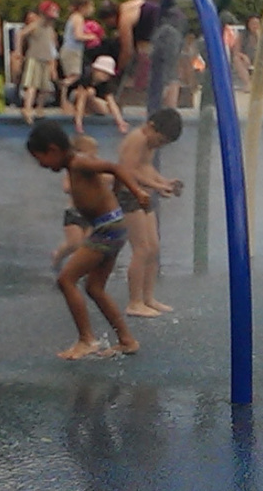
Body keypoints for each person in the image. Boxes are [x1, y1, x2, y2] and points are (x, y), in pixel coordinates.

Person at [26, 120, 149, 360]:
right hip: (111, 226)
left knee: (66, 279)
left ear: (53, 150)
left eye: (40, 158)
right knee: (94, 287)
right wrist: (113, 197)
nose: (41, 165)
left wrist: (138, 192)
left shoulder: (79, 162)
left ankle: (86, 340)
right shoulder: (74, 165)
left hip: (108, 228)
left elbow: (115, 168)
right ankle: (127, 340)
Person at [116, 108, 184, 318]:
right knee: (141, 248)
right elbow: (128, 171)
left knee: (153, 248)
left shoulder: (148, 141)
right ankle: (134, 302)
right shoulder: (137, 138)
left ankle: (148, 297)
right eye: (161, 141)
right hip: (129, 197)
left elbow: (145, 167)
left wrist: (164, 182)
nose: (159, 145)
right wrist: (156, 186)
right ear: (151, 127)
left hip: (142, 196)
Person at [51, 134, 108, 270]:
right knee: (74, 243)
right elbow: (66, 187)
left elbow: (109, 177)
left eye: (96, 153)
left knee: (88, 245)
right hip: (74, 212)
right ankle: (58, 255)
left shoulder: (97, 168)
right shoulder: (73, 168)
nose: (94, 156)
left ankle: (82, 269)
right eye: (91, 153)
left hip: (91, 214)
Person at [16, 0, 60, 124]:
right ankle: (27, 108)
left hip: (45, 59)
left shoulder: (50, 28)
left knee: (44, 87)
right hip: (34, 58)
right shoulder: (36, 24)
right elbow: (20, 34)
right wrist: (18, 51)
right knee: (32, 85)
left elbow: (51, 47)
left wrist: (53, 65)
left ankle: (39, 108)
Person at [59, 0, 97, 114]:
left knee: (75, 75)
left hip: (73, 50)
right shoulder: (78, 18)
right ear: (83, 7)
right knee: (74, 75)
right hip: (72, 50)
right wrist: (91, 36)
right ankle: (63, 98)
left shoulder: (75, 17)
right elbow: (78, 35)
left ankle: (66, 100)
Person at [72, 55, 129, 134]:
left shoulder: (107, 83)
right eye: (103, 72)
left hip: (94, 102)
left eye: (108, 74)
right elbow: (80, 101)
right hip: (76, 97)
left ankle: (88, 109)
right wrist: (78, 123)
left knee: (104, 109)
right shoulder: (86, 78)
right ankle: (82, 112)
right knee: (89, 92)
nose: (105, 76)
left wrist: (120, 122)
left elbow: (111, 103)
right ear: (95, 70)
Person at [232, 15, 260, 93]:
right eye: (253, 24)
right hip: (245, 58)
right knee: (237, 59)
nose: (255, 26)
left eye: (257, 24)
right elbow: (236, 51)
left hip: (258, 57)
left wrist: (258, 36)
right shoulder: (242, 35)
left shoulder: (261, 35)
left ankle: (259, 85)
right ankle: (247, 84)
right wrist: (243, 56)